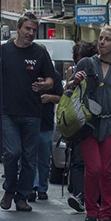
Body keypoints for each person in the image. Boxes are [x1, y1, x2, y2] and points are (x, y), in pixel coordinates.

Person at [68, 25, 111, 221]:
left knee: (108, 172)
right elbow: (68, 88)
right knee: (94, 169)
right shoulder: (87, 63)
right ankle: (91, 210)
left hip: (110, 122)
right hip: (88, 123)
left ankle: (106, 215)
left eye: (107, 39)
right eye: (101, 38)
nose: (102, 42)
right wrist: (75, 81)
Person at [0, 12, 55, 212]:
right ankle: (9, 189)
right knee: (13, 153)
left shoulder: (40, 52)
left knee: (31, 159)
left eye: (34, 30)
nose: (31, 33)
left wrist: (44, 85)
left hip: (32, 113)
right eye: (27, 29)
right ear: (18, 28)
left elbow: (51, 79)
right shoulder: (4, 50)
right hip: (7, 112)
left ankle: (22, 197)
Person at [66, 41, 99, 213]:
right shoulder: (73, 72)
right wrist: (74, 82)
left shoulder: (100, 69)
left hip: (98, 120)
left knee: (96, 165)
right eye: (78, 61)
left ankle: (92, 197)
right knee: (78, 160)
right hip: (80, 121)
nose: (82, 65)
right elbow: (67, 92)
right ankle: (79, 195)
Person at [30, 67, 63, 201]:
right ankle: (32, 187)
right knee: (29, 157)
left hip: (46, 123)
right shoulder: (28, 72)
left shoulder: (53, 75)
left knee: (44, 159)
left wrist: (50, 97)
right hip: (28, 122)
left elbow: (61, 97)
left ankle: (42, 188)